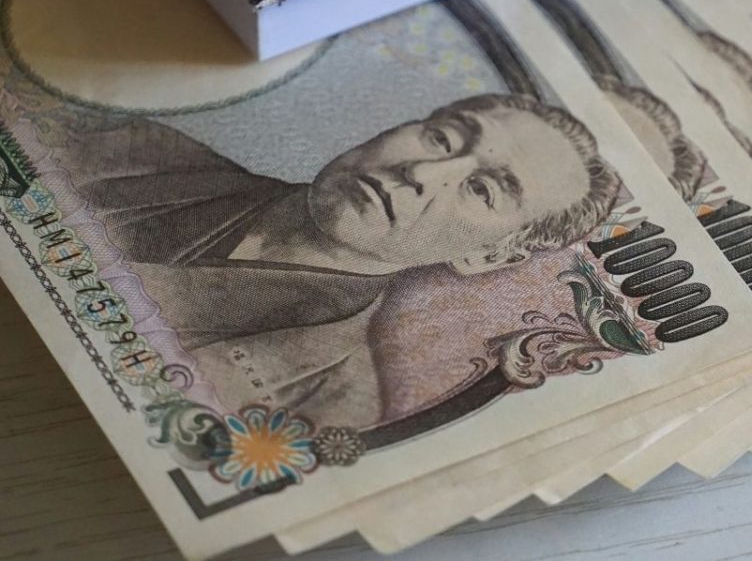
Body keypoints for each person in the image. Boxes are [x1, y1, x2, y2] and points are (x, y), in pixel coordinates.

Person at [53, 93, 620, 427]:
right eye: (443, 139)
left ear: (488, 256)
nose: (420, 175)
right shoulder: (132, 151)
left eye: (483, 190)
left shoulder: (329, 403)